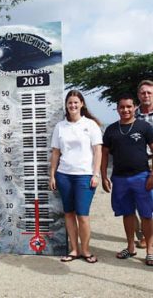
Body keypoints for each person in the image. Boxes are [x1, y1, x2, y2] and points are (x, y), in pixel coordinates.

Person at [49, 90, 102, 263]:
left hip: (84, 176)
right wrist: (52, 175)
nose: (72, 105)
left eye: (75, 102)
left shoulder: (91, 125)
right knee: (69, 214)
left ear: (82, 104)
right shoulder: (60, 126)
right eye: (70, 103)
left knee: (82, 215)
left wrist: (96, 174)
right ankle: (74, 249)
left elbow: (98, 151)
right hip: (64, 175)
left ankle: (86, 250)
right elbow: (56, 153)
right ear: (66, 105)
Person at [101, 93, 153, 266]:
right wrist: (103, 176)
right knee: (127, 213)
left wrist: (152, 175)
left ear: (135, 108)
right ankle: (130, 247)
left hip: (142, 177)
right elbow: (104, 154)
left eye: (129, 106)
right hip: (120, 179)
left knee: (146, 214)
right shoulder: (111, 130)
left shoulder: (144, 127)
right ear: (117, 109)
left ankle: (150, 250)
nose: (125, 110)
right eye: (122, 107)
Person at [135, 80, 153, 249]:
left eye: (149, 92)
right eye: (143, 93)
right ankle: (144, 234)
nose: (146, 95)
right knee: (141, 201)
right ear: (138, 95)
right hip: (139, 163)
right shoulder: (131, 114)